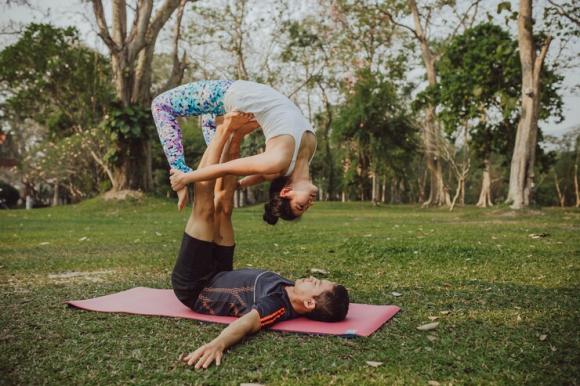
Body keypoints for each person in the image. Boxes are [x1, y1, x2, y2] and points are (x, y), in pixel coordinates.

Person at [171, 111, 349, 369]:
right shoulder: (291, 289)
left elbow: (248, 323)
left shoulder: (277, 306)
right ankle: (234, 137)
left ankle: (222, 131)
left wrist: (218, 343)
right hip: (220, 273)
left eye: (317, 283)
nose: (312, 277)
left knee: (205, 208)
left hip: (197, 286)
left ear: (309, 303)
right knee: (224, 206)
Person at [151, 80, 319, 225]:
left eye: (301, 206)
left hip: (229, 94)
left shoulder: (278, 161)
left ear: (286, 192)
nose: (310, 204)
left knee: (161, 106)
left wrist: (184, 178)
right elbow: (263, 175)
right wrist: (238, 185)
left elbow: (227, 168)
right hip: (239, 98)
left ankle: (179, 169)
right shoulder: (292, 162)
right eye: (303, 207)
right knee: (211, 125)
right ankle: (211, 128)